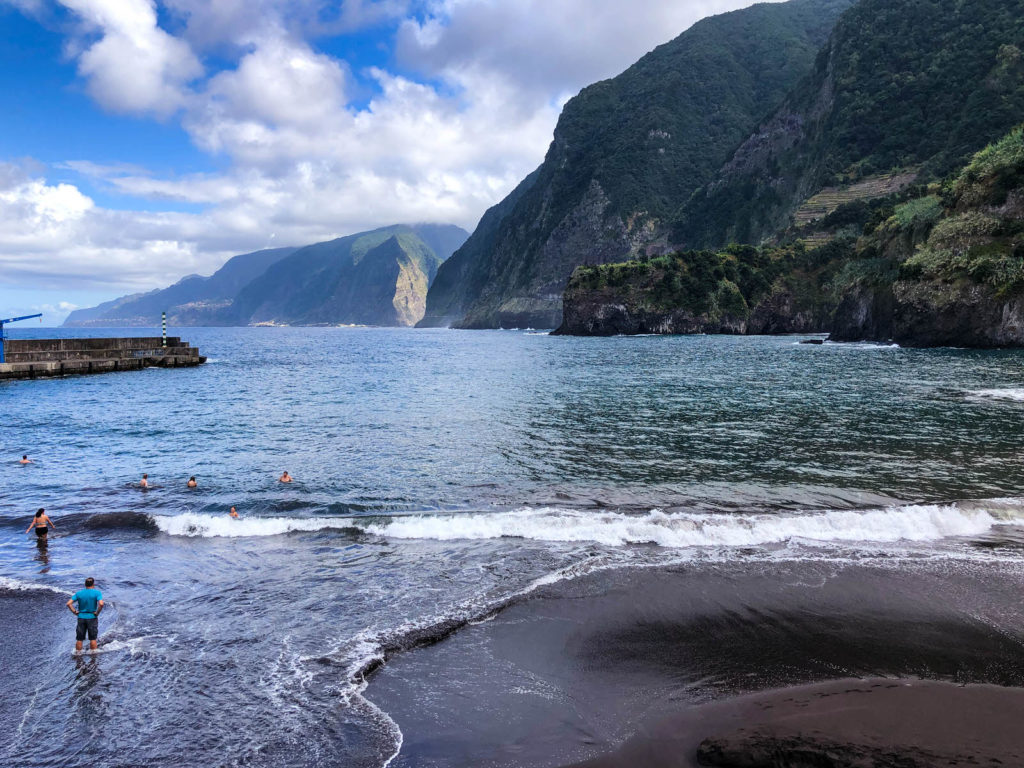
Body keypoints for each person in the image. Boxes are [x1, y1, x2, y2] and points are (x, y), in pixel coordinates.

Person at [67, 577, 104, 653]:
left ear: (85, 584)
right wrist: (97, 613)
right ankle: (93, 655)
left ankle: (78, 655)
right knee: (92, 638)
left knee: (79, 639)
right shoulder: (97, 593)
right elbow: (101, 604)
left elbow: (69, 603)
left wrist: (75, 612)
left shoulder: (79, 593)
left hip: (81, 617)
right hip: (92, 617)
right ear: (93, 584)